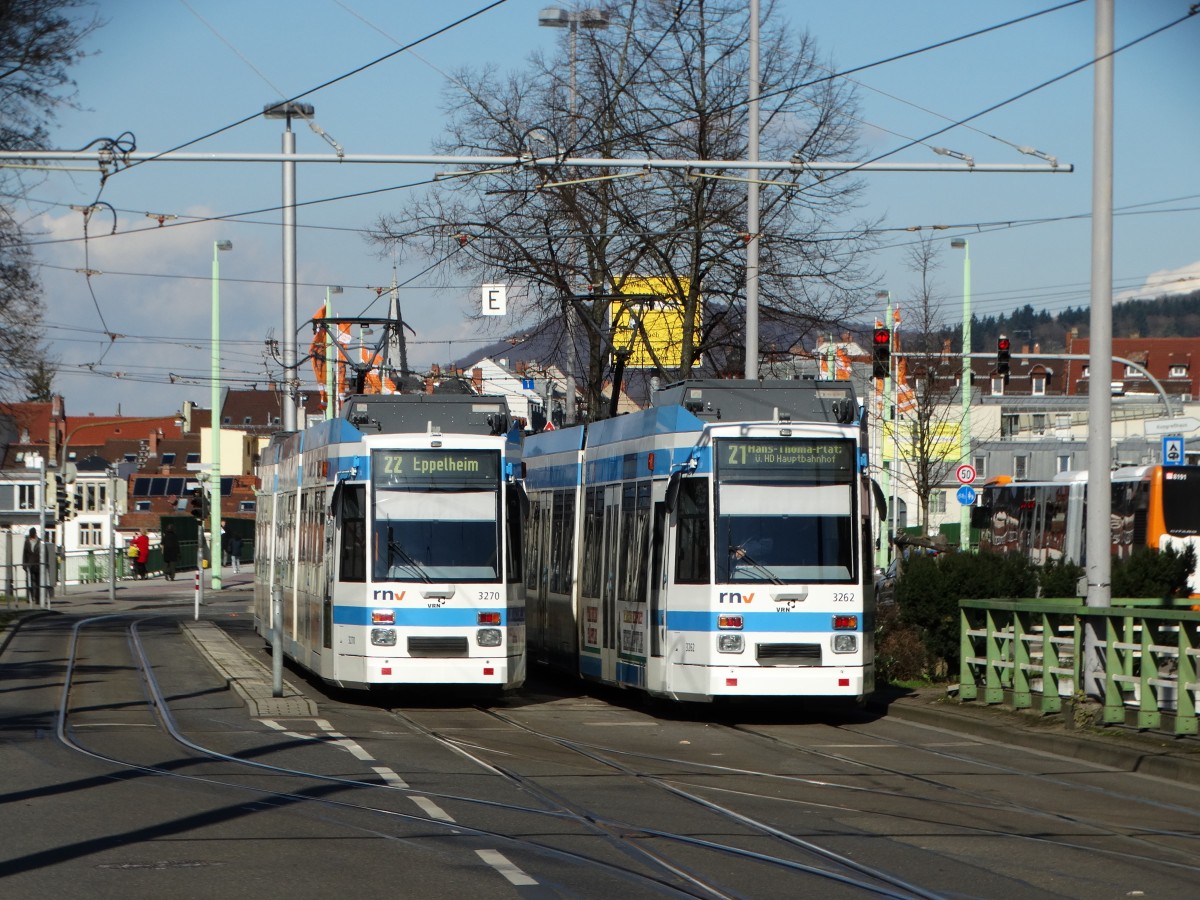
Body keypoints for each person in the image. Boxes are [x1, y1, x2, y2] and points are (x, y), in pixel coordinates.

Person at [22, 527, 40, 604]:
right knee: (29, 582)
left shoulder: (39, 542)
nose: (32, 536)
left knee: (38, 582)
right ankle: (29, 597)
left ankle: (37, 599)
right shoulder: (27, 542)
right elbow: (24, 554)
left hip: (38, 565)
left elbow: (44, 553)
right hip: (29, 564)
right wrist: (24, 565)